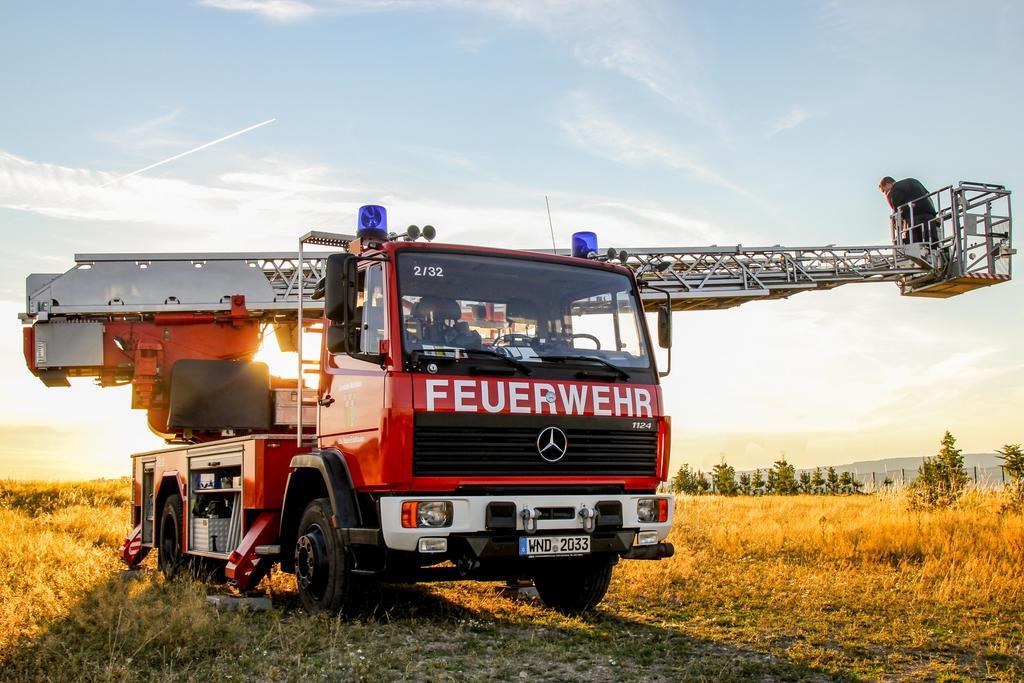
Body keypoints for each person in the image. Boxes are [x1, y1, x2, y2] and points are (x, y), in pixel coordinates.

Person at [879, 176, 939, 244]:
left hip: (912, 220)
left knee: (915, 246)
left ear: (888, 184)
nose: (886, 193)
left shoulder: (894, 190)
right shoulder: (914, 181)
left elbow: (898, 212)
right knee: (932, 244)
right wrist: (934, 215)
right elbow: (928, 197)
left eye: (884, 190)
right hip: (929, 217)